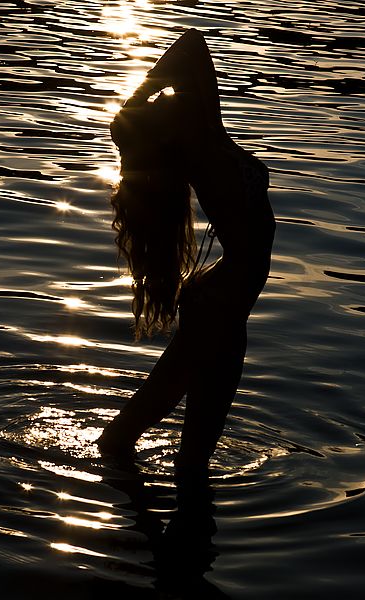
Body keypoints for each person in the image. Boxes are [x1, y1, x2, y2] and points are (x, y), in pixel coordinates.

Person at [97, 29, 275, 478]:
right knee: (139, 429)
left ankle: (160, 529)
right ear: (162, 137)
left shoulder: (200, 133)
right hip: (223, 300)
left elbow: (191, 48)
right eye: (156, 107)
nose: (165, 96)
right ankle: (133, 517)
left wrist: (137, 102)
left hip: (227, 300)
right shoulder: (199, 139)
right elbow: (192, 46)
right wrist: (140, 99)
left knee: (192, 457)